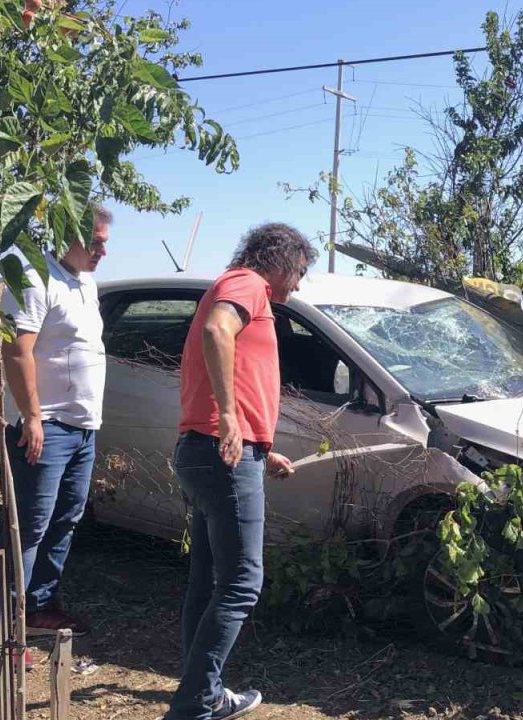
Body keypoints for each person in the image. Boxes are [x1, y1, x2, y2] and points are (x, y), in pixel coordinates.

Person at [165, 223, 316, 720]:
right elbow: (216, 330)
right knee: (243, 582)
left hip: (212, 450)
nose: (297, 284)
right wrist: (231, 419)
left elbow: (236, 365)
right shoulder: (247, 283)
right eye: (298, 272)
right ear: (279, 261)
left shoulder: (241, 288)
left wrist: (260, 447)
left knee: (209, 581)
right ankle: (193, 707)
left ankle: (204, 694)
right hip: (220, 449)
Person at [0, 204, 112, 637]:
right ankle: (10, 626)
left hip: (82, 427)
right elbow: (16, 351)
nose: (104, 250)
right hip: (45, 427)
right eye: (96, 242)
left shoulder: (86, 283)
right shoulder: (33, 278)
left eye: (105, 242)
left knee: (66, 517)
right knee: (30, 525)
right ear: (68, 234)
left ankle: (41, 607)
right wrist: (31, 417)